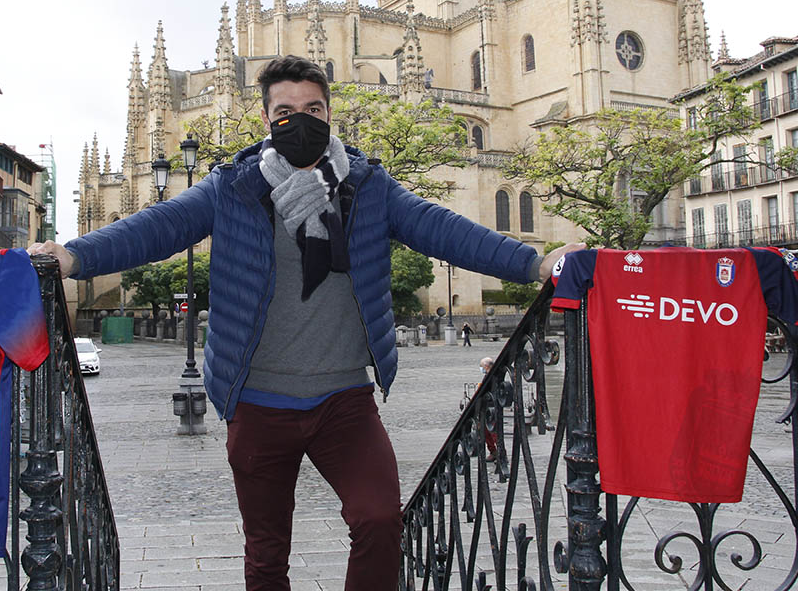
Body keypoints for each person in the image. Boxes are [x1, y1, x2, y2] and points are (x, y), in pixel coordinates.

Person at [29, 55, 581, 591]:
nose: (302, 120)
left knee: (379, 520)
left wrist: (535, 263)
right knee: (267, 555)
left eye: (314, 109)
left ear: (329, 115)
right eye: (287, 110)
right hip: (259, 402)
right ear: (267, 120)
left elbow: (446, 230)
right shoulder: (234, 187)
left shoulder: (366, 186)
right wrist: (75, 257)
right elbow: (156, 227)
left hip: (344, 400)